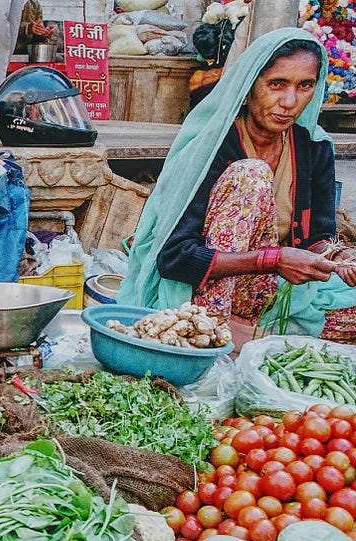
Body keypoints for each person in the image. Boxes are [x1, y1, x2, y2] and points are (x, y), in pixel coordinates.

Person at [119, 27, 356, 346]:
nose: (289, 101)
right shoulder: (214, 146)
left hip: (270, 294)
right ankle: (211, 333)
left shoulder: (314, 147)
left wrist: (337, 255)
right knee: (251, 176)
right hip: (202, 292)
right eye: (276, 84)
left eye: (304, 86)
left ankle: (249, 334)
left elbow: (316, 236)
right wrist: (273, 259)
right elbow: (174, 258)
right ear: (248, 88)